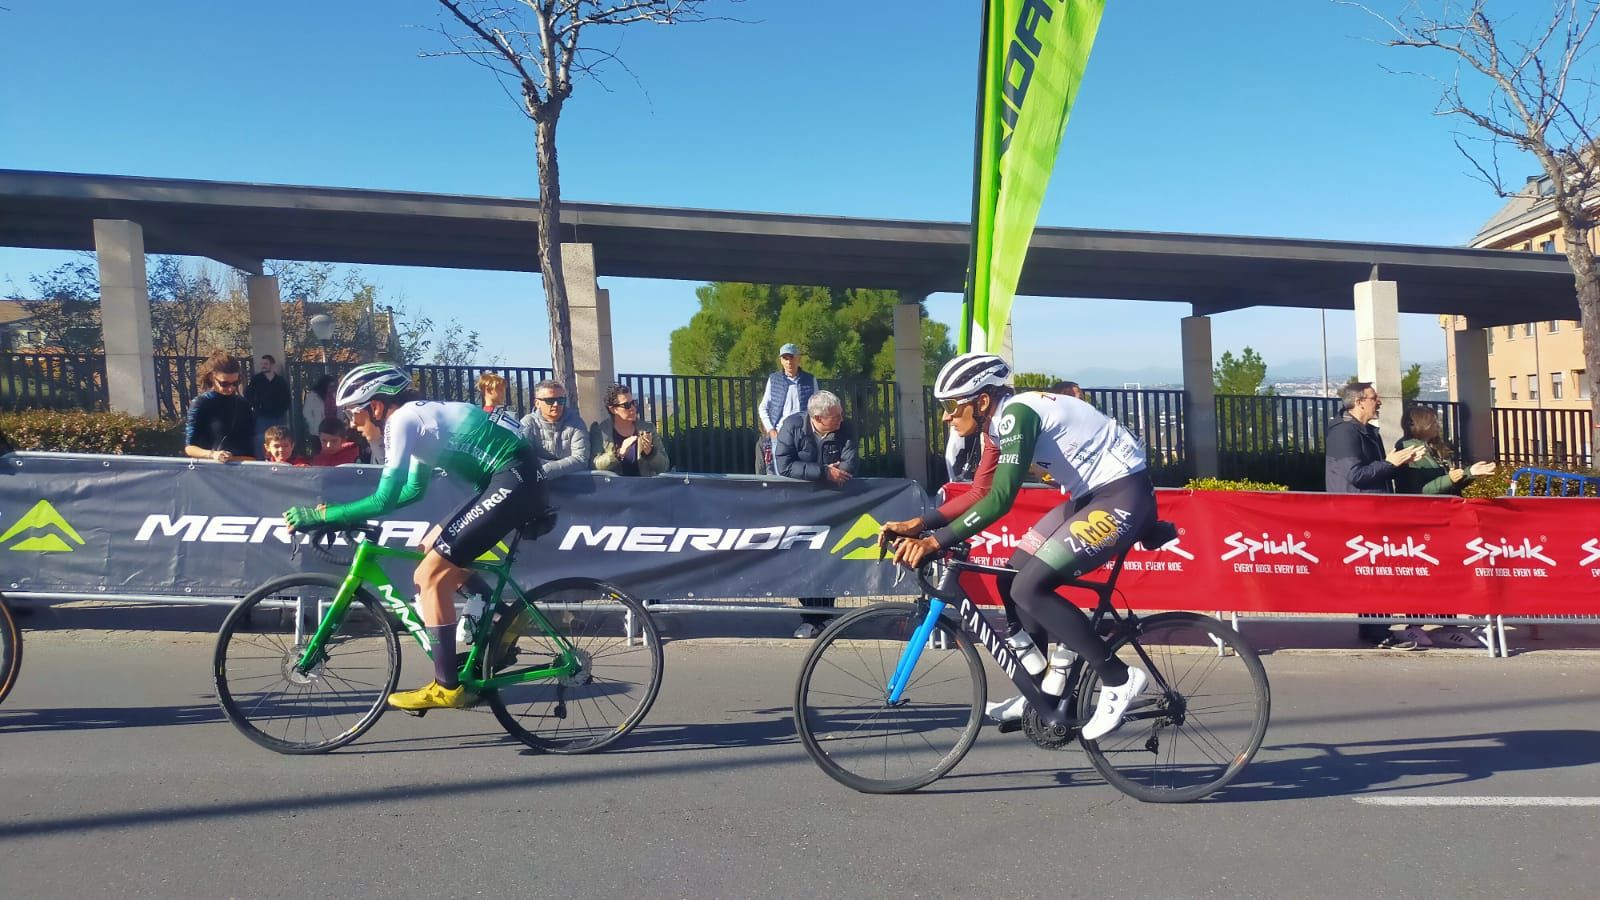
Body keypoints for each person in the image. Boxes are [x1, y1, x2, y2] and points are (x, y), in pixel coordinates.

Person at [879, 353, 1155, 741]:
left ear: (983, 401)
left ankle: (1118, 677)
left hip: (1122, 497)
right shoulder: (998, 426)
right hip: (1090, 497)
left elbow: (1001, 499)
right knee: (1012, 576)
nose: (945, 417)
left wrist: (934, 542)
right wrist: (920, 523)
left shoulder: (1017, 416)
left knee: (1030, 586)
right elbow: (980, 490)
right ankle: (1043, 690)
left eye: (952, 406)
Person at [284, 363, 549, 711]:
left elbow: (385, 498)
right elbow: (411, 490)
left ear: (376, 407)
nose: (353, 423)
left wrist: (322, 516)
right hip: (509, 480)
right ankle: (502, 618)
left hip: (511, 482)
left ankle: (447, 687)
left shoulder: (402, 421)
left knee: (429, 576)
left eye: (355, 413)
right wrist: (334, 514)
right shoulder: (422, 419)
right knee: (428, 548)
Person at [1326, 382, 1427, 647]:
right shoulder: (1345, 433)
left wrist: (1398, 462)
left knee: (1377, 572)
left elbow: (1377, 471)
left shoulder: (1366, 432)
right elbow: (1355, 475)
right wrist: (1389, 463)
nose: (1379, 401)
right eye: (1374, 398)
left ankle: (1377, 627)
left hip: (1373, 511)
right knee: (1370, 573)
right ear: (1359, 402)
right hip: (1358, 514)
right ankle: (1375, 630)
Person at [774, 391, 859, 638]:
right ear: (818, 418)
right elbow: (784, 466)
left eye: (841, 414)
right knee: (803, 560)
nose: (841, 420)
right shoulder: (792, 426)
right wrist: (823, 472)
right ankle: (810, 617)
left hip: (834, 507)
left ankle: (825, 617)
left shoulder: (846, 427)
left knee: (829, 560)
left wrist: (833, 474)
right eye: (835, 417)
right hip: (799, 507)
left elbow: (850, 465)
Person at [1394, 406, 1496, 495]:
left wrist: (1470, 473)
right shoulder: (1408, 449)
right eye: (1434, 422)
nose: (1438, 426)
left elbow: (1450, 484)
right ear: (1421, 425)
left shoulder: (1434, 447)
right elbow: (1416, 491)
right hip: (1426, 512)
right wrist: (1449, 479)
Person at [183, 351, 256, 463]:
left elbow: (250, 452)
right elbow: (190, 448)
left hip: (240, 470)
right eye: (224, 384)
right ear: (212, 377)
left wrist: (232, 459)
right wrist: (213, 454)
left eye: (235, 383)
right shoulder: (201, 403)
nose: (231, 388)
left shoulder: (243, 405)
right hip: (209, 469)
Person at [757, 343, 818, 474]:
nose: (788, 361)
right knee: (781, 472)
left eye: (791, 357)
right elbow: (763, 407)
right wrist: (771, 430)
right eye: (785, 358)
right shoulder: (774, 379)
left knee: (804, 472)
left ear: (798, 358)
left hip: (804, 435)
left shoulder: (810, 379)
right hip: (780, 434)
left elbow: (816, 408)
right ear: (781, 360)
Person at [590, 383, 670, 476]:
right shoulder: (601, 430)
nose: (632, 408)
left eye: (633, 403)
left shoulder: (648, 428)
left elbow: (664, 466)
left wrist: (650, 452)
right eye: (626, 405)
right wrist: (619, 453)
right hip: (613, 488)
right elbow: (594, 465)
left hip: (643, 487)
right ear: (613, 409)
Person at [519, 379, 590, 478]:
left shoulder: (576, 422)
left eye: (561, 400)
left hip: (572, 483)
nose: (556, 404)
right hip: (536, 483)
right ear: (537, 403)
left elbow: (581, 459)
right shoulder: (527, 423)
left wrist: (544, 471)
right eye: (550, 400)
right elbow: (523, 457)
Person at [245, 354, 292, 458]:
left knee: (281, 439)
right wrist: (257, 406)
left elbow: (287, 399)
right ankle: (262, 462)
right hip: (262, 417)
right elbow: (248, 396)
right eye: (262, 364)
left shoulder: (280, 381)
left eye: (266, 364)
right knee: (261, 441)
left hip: (279, 417)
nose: (263, 366)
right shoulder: (256, 380)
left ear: (272, 365)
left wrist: (281, 409)